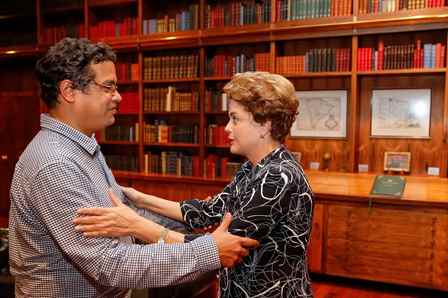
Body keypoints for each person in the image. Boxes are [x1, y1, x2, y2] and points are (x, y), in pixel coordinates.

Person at [8, 37, 258, 298]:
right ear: (69, 91)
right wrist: (207, 250)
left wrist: (192, 233)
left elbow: (125, 217)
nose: (118, 96)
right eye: (108, 86)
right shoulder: (56, 164)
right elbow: (108, 263)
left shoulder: (82, 145)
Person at [75, 71, 315, 297]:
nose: (227, 128)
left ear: (265, 125)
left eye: (235, 119)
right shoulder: (253, 168)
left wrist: (136, 225)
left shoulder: (278, 178)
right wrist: (140, 198)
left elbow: (222, 246)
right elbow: (207, 212)